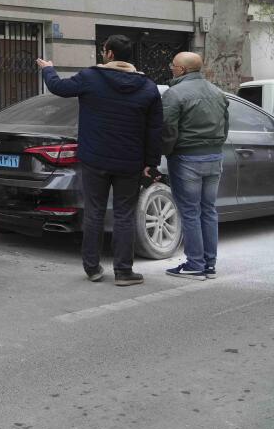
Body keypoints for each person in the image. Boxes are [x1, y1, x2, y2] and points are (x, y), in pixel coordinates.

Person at [36, 34, 162, 287]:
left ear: (110, 54)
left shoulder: (91, 78)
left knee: (94, 211)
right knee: (124, 215)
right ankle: (124, 272)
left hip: (95, 159)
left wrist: (48, 70)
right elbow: (155, 129)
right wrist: (151, 162)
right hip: (130, 162)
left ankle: (93, 268)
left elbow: (59, 88)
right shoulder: (148, 86)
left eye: (104, 50)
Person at [161, 52, 229, 280]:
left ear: (181, 69)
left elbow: (168, 130)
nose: (171, 68)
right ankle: (209, 265)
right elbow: (225, 127)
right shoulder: (218, 92)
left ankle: (195, 265)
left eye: (173, 65)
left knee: (190, 213)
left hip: (186, 158)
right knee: (208, 211)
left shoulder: (174, 93)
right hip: (214, 157)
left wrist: (165, 153)